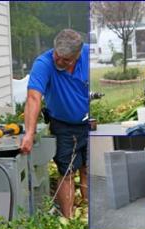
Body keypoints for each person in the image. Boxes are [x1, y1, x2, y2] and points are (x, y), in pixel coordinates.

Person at [20, 29, 89, 218]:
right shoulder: (43, 64)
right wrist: (29, 133)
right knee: (66, 171)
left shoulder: (88, 57)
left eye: (66, 60)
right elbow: (34, 98)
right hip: (63, 126)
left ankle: (87, 213)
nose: (59, 62)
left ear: (78, 55)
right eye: (57, 56)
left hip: (89, 123)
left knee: (87, 168)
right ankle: (69, 221)